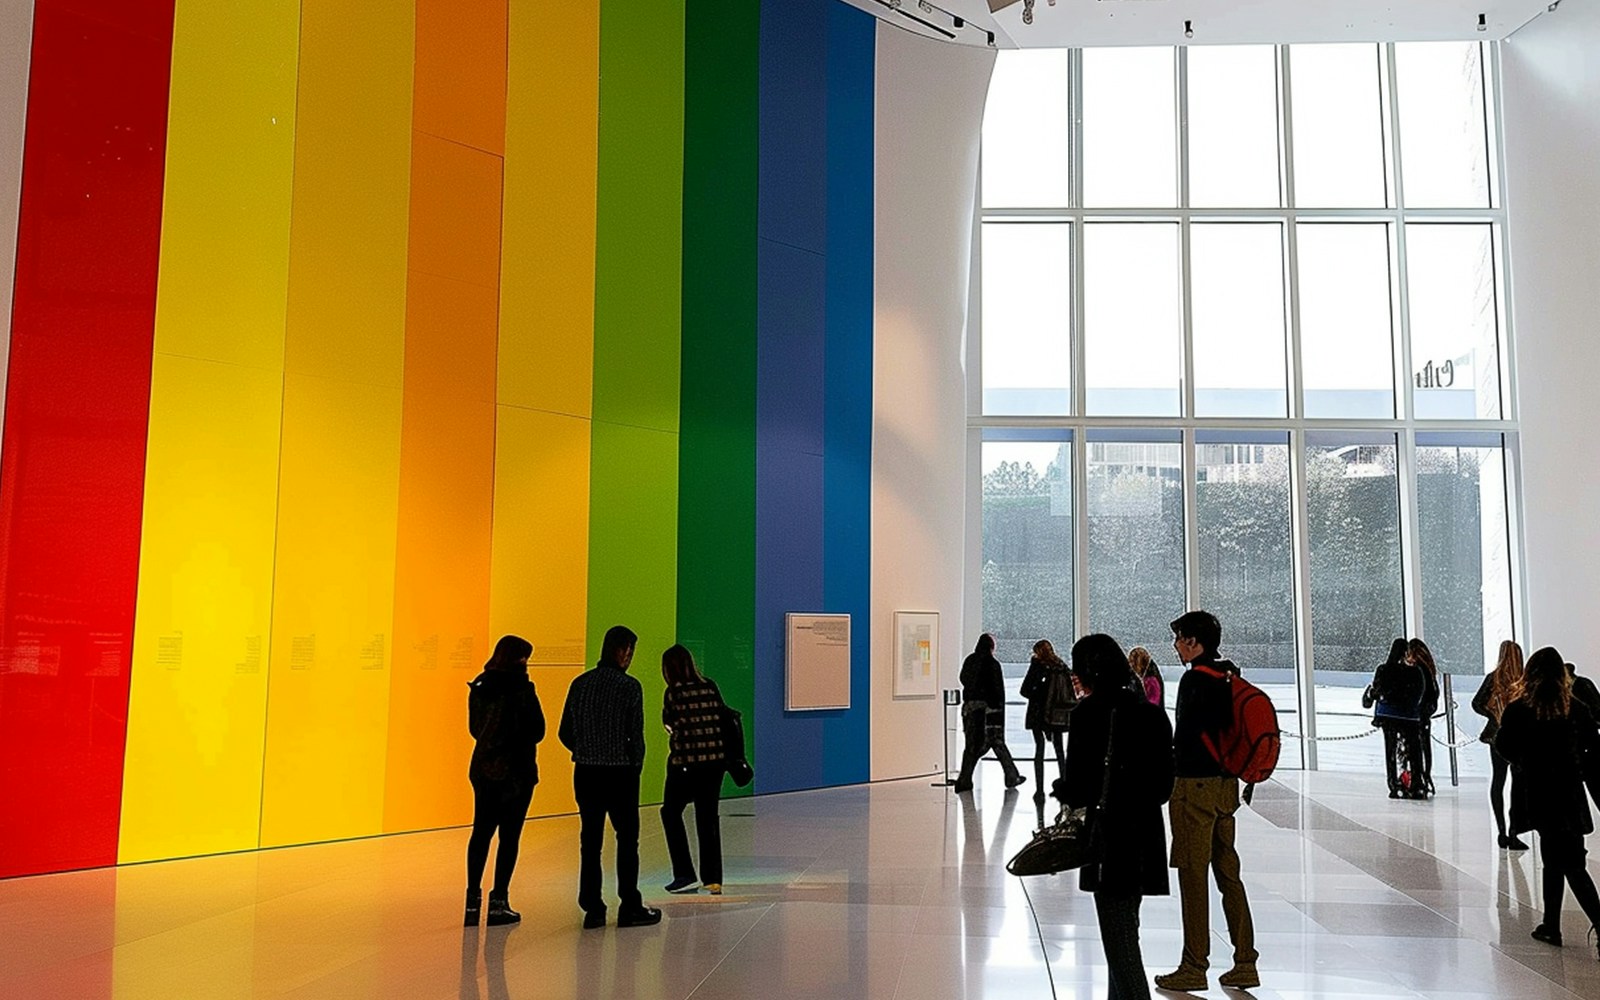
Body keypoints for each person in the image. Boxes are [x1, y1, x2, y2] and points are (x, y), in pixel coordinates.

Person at [1061, 634, 1175, 1000]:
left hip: (1109, 841)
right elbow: (1162, 788)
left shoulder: (1086, 717)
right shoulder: (1152, 715)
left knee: (1121, 944)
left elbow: (1077, 788)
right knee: (1125, 931)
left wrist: (1061, 791)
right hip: (1143, 836)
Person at [1155, 610, 1258, 993]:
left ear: (1194, 642)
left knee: (1193, 877)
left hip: (1194, 788)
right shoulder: (1229, 676)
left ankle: (1194, 965)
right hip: (1225, 788)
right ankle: (1245, 960)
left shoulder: (1194, 680)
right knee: (1228, 873)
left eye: (1180, 638)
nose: (1176, 645)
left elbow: (1185, 738)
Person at [1495, 646, 1600, 956]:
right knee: (1562, 859)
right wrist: (1577, 767)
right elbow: (1593, 749)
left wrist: (1527, 762)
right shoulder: (1576, 709)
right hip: (1569, 793)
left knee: (1563, 860)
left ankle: (1566, 924)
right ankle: (1550, 925)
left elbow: (1504, 744)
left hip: (1540, 793)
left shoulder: (1520, 709)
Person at [558, 625, 661, 929]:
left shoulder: (580, 684)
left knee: (590, 841)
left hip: (587, 772)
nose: (629, 656)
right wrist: (635, 766)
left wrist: (586, 748)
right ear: (620, 650)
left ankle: (593, 908)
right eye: (628, 650)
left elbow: (564, 731)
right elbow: (636, 736)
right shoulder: (630, 687)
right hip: (620, 774)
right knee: (627, 840)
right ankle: (629, 904)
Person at [464, 635, 545, 926]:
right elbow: (538, 730)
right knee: (509, 837)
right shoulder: (522, 689)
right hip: (517, 772)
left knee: (481, 833)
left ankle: (472, 902)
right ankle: (499, 902)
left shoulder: (480, 685)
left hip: (484, 768)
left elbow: (475, 729)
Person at [660, 644, 727, 895]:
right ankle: (713, 879)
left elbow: (669, 722)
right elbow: (721, 717)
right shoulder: (709, 685)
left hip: (685, 764)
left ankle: (684, 873)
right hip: (714, 764)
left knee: (670, 812)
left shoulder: (673, 693)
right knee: (707, 818)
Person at [1472, 640, 1527, 849]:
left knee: (1498, 781)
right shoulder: (1523, 681)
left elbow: (1477, 703)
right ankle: (1514, 831)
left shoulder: (1493, 679)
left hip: (1496, 735)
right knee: (1518, 785)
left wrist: (1493, 715)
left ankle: (1501, 830)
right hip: (1519, 738)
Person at [954, 633, 1025, 794]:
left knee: (973, 745)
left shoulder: (970, 660)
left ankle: (965, 779)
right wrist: (998, 709)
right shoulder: (992, 664)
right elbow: (997, 690)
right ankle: (1011, 776)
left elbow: (963, 679)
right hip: (989, 711)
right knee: (996, 742)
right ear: (991, 646)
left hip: (970, 708)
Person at [1369, 638, 1425, 799]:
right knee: (1414, 751)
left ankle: (1394, 784)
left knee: (1391, 750)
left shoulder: (1383, 670)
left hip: (1388, 715)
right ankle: (1416, 784)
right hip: (1409, 717)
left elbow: (1378, 690)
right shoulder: (1415, 672)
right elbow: (1418, 694)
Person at [1020, 638, 1072, 801]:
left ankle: (1039, 790)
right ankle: (1065, 783)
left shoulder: (1038, 666)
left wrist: (1038, 694)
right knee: (1059, 749)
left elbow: (1025, 690)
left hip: (1038, 713)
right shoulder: (1061, 667)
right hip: (1056, 713)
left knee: (1039, 750)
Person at [1408, 639, 1441, 797]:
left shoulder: (1417, 670)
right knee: (1425, 746)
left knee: (1416, 748)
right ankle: (1425, 776)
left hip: (1416, 715)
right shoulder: (1429, 670)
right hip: (1425, 715)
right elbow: (1434, 694)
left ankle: (1419, 778)